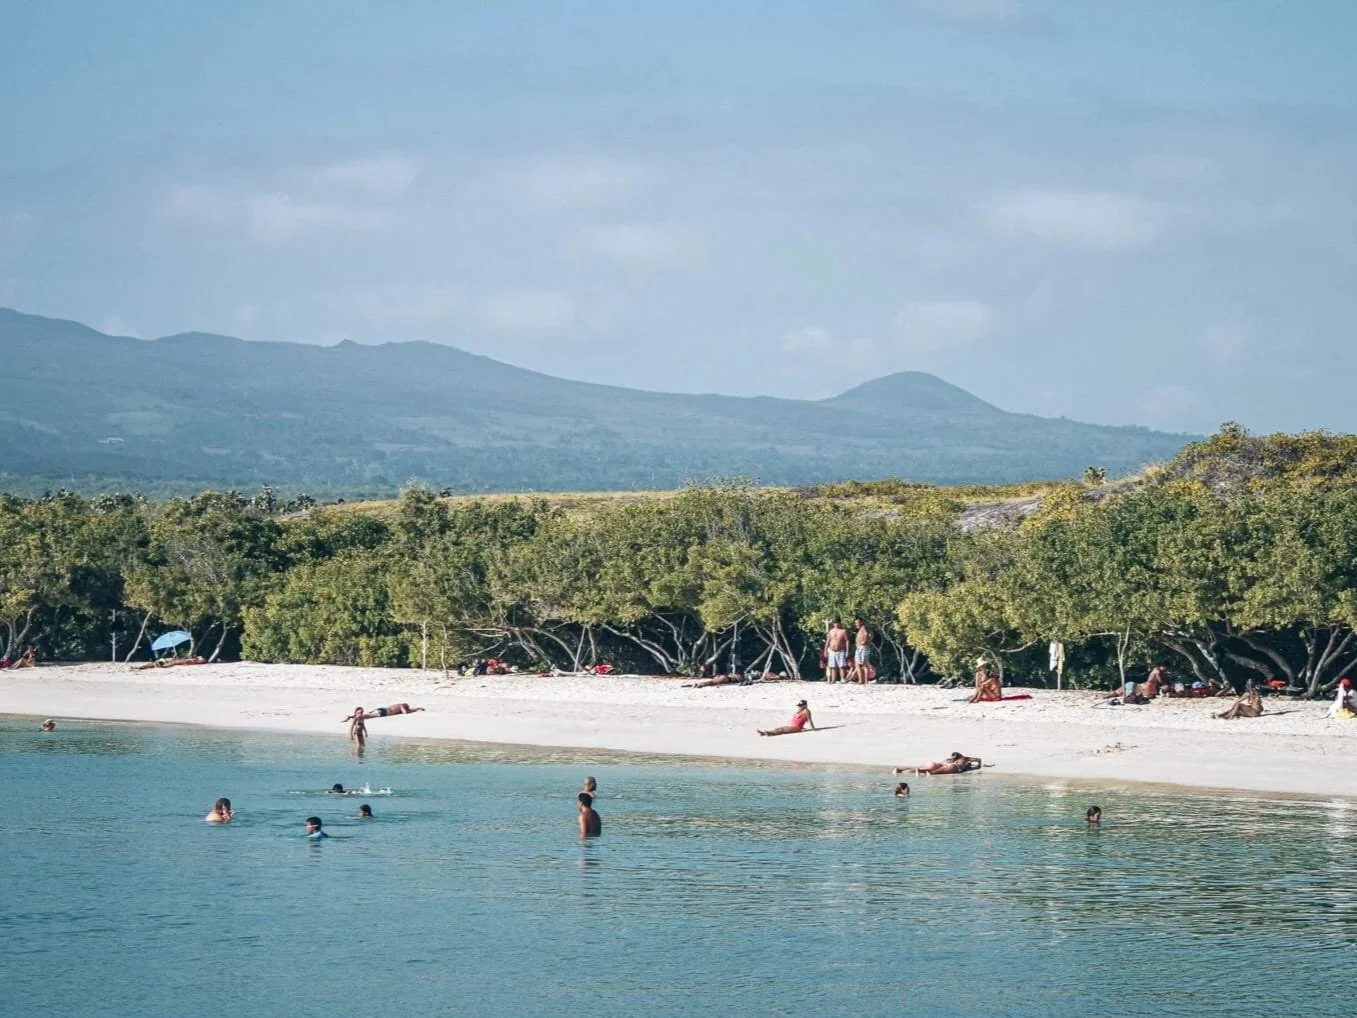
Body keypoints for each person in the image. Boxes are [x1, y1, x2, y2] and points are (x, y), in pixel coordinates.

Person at [895, 752, 982, 775]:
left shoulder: (948, 759)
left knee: (924, 769)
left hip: (941, 763)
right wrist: (978, 766)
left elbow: (942, 763)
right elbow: (979, 759)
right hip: (954, 767)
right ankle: (925, 772)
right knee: (934, 772)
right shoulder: (965, 758)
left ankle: (901, 771)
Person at [850, 618, 873, 685]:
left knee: (864, 664)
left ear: (862, 622)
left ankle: (865, 680)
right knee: (857, 664)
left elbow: (868, 634)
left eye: (858, 622)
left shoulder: (864, 628)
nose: (856, 624)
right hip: (859, 647)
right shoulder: (861, 629)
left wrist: (866, 641)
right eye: (856, 623)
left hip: (863, 647)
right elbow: (871, 634)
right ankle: (861, 680)